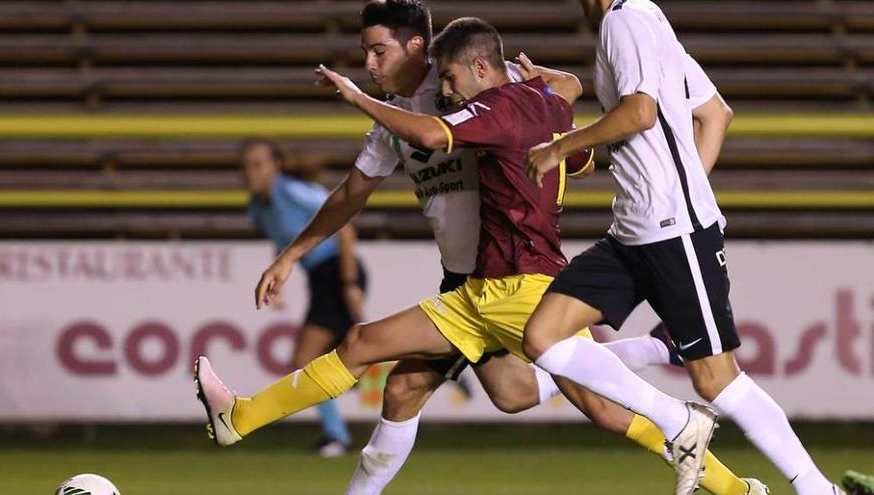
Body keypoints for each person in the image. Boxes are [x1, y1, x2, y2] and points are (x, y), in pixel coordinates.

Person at [195, 17, 719, 495]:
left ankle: (723, 475)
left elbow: (549, 95)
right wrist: (291, 255)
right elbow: (352, 193)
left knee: (597, 403)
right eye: (365, 54)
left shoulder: (485, 92)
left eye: (379, 51)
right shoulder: (405, 117)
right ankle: (664, 378)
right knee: (466, 391)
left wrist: (357, 95)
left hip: (518, 280)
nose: (371, 64)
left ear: (416, 47)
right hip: (472, 284)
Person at [522, 1, 845, 494]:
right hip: (633, 231)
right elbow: (716, 114)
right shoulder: (649, 19)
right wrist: (683, 187)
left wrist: (559, 147)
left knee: (718, 379)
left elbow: (640, 112)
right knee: (542, 337)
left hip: (672, 234)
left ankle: (818, 490)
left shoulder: (621, 20)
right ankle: (676, 416)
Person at [240, 137, 366, 456]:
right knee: (340, 356)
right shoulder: (257, 206)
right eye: (246, 167)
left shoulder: (292, 191)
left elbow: (345, 229)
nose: (251, 173)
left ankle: (336, 436)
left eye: (258, 165)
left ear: (275, 165)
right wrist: (277, 277)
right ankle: (336, 433)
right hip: (321, 278)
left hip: (337, 272)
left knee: (305, 361)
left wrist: (349, 282)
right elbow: (285, 243)